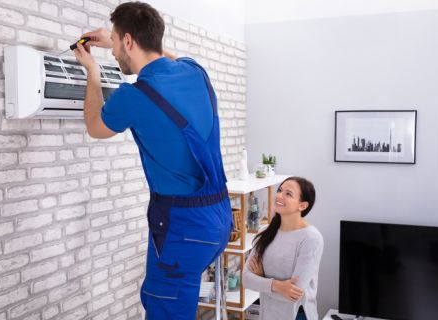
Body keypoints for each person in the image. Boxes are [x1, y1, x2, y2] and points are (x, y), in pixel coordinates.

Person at [72, 2, 232, 319]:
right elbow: (166, 56)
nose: (114, 52)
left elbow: (94, 126)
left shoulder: (133, 96)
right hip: (218, 219)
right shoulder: (195, 73)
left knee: (163, 306)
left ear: (129, 41)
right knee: (163, 298)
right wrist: (118, 38)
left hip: (183, 226)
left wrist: (92, 70)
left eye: (116, 44)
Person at [242, 177, 323, 320]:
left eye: (288, 194)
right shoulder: (266, 233)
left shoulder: (311, 238)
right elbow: (246, 279)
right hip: (268, 315)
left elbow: (293, 295)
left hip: (297, 315)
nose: (279, 195)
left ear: (302, 206)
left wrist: (262, 280)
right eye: (280, 190)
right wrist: (278, 286)